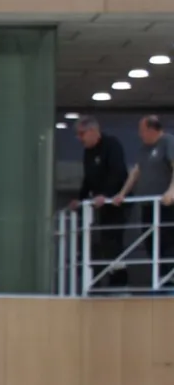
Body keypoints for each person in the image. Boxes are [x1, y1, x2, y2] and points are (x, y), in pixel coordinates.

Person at [113, 115, 174, 290]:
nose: (140, 134)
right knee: (151, 243)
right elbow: (136, 172)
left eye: (142, 130)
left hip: (167, 205)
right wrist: (122, 193)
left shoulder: (168, 142)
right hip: (148, 205)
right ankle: (161, 279)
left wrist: (171, 191)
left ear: (151, 129)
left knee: (168, 242)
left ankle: (170, 279)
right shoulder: (144, 149)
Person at [70, 116, 128, 289]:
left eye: (81, 134)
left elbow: (118, 173)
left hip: (117, 202)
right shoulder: (88, 152)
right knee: (105, 242)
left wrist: (106, 195)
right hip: (101, 204)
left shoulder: (112, 145)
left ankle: (120, 283)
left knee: (113, 240)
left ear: (93, 131)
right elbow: (88, 179)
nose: (79, 138)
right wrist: (80, 199)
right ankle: (112, 281)